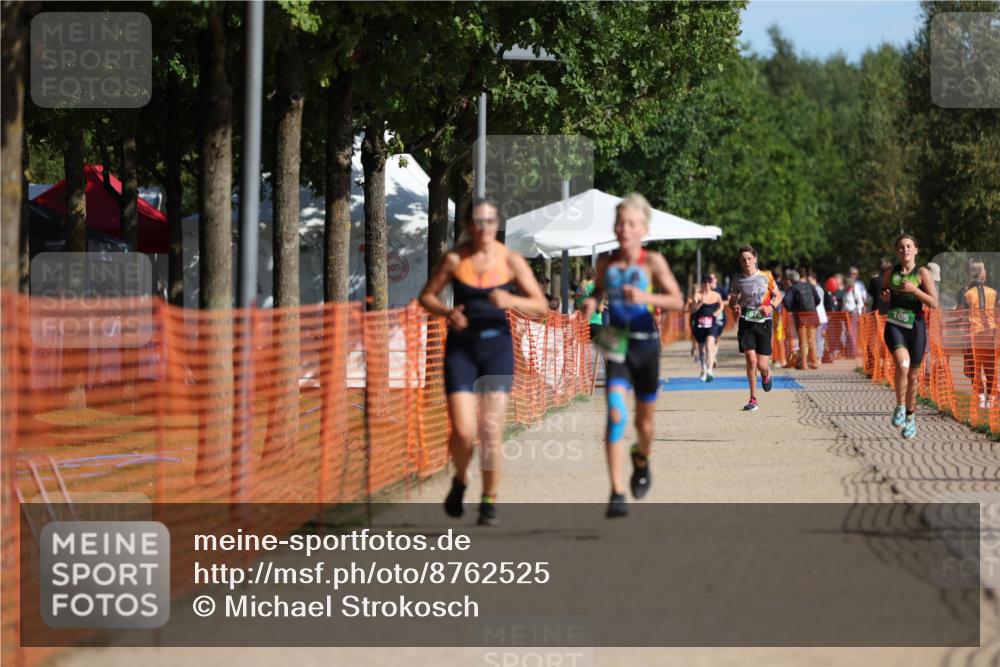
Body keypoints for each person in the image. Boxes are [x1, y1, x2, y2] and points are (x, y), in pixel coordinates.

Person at [419, 198, 549, 525]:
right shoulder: (454, 260)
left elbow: (541, 307)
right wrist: (448, 312)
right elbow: (426, 297)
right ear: (467, 226)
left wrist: (510, 299)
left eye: (490, 221)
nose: (484, 227)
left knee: (490, 431)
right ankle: (461, 479)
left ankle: (489, 499)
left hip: (497, 351)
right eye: (478, 221)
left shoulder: (511, 261)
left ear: (497, 224)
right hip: (461, 351)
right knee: (463, 432)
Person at [581, 193, 683, 518]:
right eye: (620, 223)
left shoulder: (653, 262)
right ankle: (617, 492)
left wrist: (645, 296)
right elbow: (597, 292)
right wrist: (591, 303)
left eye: (631, 224)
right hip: (617, 342)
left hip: (646, 344)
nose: (624, 229)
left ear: (644, 229)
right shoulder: (605, 263)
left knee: (645, 425)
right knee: (614, 414)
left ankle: (642, 458)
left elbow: (677, 300)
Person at [879, 234, 939, 439]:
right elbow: (883, 293)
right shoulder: (890, 272)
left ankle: (911, 419)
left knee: (913, 375)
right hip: (895, 325)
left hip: (916, 327)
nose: (905, 250)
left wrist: (915, 290)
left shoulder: (922, 273)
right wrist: (884, 296)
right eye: (901, 247)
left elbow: (934, 302)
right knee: (902, 365)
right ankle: (900, 406)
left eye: (909, 246)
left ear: (916, 250)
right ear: (897, 251)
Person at [729, 245, 782, 411]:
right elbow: (732, 302)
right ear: (740, 261)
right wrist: (735, 308)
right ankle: (753, 398)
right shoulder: (737, 280)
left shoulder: (766, 276)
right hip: (746, 322)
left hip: (764, 323)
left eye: (749, 258)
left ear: (755, 259)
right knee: (751, 360)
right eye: (743, 259)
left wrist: (771, 307)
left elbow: (778, 296)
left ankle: (766, 374)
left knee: (761, 365)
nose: (747, 262)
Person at [957, 259, 997, 409]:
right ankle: (991, 398)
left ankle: (980, 398)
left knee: (974, 367)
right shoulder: (993, 291)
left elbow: (959, 313)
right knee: (990, 366)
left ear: (969, 274)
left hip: (971, 334)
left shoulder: (965, 292)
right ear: (982, 274)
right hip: (990, 334)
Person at [782, 269, 821, 369]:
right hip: (812, 314)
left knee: (802, 341)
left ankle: (804, 364)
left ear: (790, 280)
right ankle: (814, 362)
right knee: (812, 339)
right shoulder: (810, 286)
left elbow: (786, 301)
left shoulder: (792, 288)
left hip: (800, 316)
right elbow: (818, 300)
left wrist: (792, 309)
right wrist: (812, 308)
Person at [689, 276, 724, 381]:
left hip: (712, 324)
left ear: (711, 284)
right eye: (704, 284)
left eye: (708, 284)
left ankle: (710, 371)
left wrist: (719, 311)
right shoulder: (697, 295)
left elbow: (721, 304)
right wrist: (700, 302)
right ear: (702, 285)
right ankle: (703, 368)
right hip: (700, 326)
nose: (706, 286)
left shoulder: (716, 295)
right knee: (701, 350)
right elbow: (693, 310)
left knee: (709, 347)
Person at [574, 266, 605, 342]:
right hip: (595, 323)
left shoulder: (579, 289)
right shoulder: (595, 289)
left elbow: (576, 305)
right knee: (596, 353)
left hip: (581, 324)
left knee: (583, 352)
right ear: (594, 277)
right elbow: (599, 309)